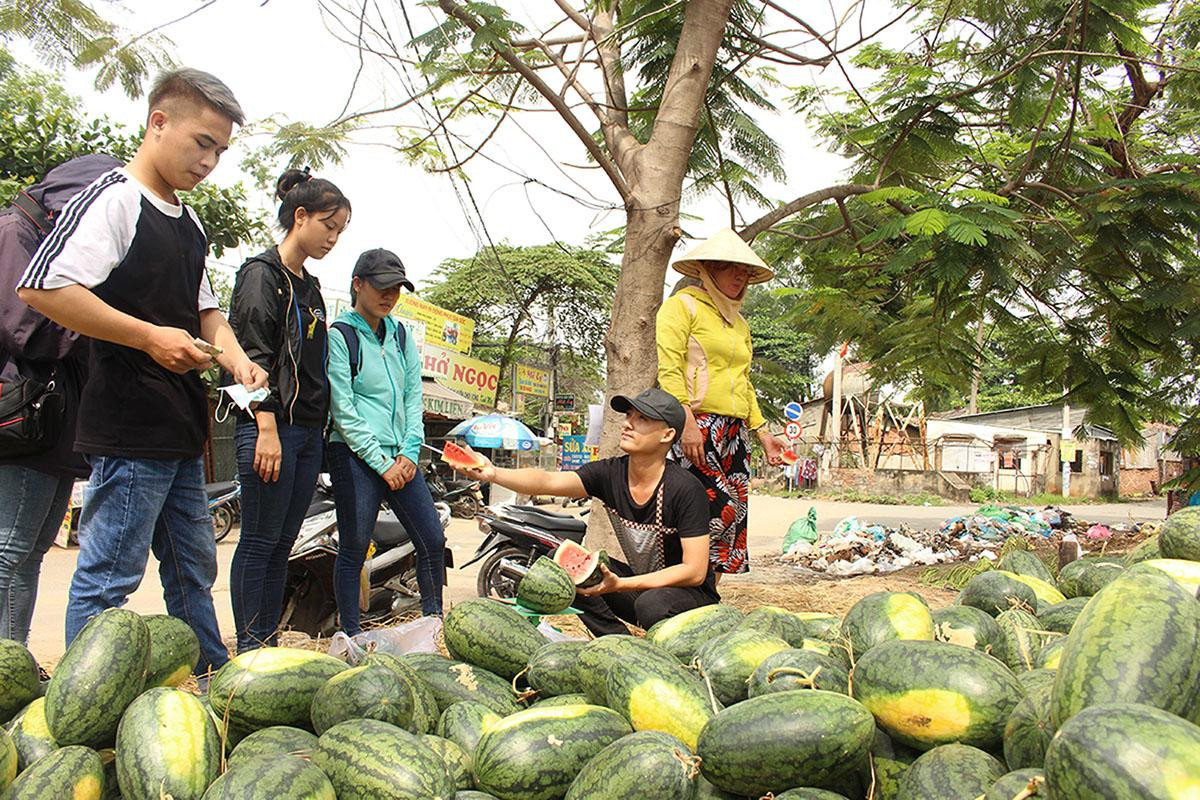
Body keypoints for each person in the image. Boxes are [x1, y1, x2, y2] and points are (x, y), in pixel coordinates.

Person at [17, 68, 267, 674]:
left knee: (192, 565)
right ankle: (82, 701)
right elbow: (43, 288)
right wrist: (148, 338)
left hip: (180, 428)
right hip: (129, 424)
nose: (209, 161)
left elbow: (205, 309)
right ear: (159, 123)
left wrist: (236, 355)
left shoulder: (190, 221)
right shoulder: (113, 197)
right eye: (202, 142)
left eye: (221, 151)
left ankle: (212, 679)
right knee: (110, 576)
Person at [451, 388, 718, 636]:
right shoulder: (610, 473)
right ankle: (619, 643)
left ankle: (667, 649)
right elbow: (548, 481)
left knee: (652, 604)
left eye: (642, 419)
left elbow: (694, 571)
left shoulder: (685, 489)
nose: (627, 423)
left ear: (667, 435)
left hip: (691, 601)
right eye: (628, 416)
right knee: (563, 565)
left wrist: (620, 585)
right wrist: (493, 473)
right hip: (642, 589)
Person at [226, 169, 350, 652]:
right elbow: (250, 358)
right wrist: (266, 426)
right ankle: (249, 645)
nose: (333, 238)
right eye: (328, 225)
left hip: (305, 435)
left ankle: (266, 639)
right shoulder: (262, 275)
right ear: (299, 217)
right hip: (268, 428)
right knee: (258, 540)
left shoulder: (311, 287)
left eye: (340, 230)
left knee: (282, 543)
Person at [0, 154, 120, 645]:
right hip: (25, 419)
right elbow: (25, 330)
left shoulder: (46, 237)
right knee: (9, 550)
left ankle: (16, 663)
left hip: (57, 422)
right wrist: (95, 320)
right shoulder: (17, 233)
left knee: (30, 553)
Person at [655, 228, 788, 580]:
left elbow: (744, 382)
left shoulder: (740, 323)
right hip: (694, 426)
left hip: (733, 434)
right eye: (731, 268)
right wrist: (685, 422)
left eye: (745, 271)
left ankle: (709, 597)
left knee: (730, 524)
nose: (740, 277)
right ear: (708, 269)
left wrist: (763, 433)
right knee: (699, 516)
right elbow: (669, 370)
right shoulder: (680, 307)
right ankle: (677, 594)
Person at [326, 249, 445, 633]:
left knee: (431, 538)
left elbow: (414, 397)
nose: (389, 296)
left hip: (402, 457)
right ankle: (351, 634)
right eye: (381, 286)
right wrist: (382, 463)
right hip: (354, 456)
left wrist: (410, 452)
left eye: (396, 289)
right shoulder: (340, 336)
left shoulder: (401, 335)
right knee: (355, 547)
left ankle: (433, 624)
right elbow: (343, 410)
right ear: (358, 284)